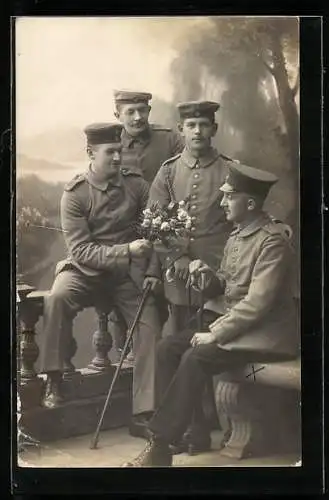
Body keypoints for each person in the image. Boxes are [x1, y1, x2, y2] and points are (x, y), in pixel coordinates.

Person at [122, 161, 299, 467]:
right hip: (239, 327)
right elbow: (230, 287)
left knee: (196, 355)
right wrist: (210, 279)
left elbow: (258, 303)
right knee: (167, 349)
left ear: (251, 203)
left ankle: (160, 446)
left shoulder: (272, 242)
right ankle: (189, 431)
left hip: (265, 334)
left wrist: (214, 333)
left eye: (230, 197)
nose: (223, 202)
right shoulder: (239, 234)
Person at [39, 123, 161, 424]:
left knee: (150, 322)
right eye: (110, 153)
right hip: (85, 270)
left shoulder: (137, 185)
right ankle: (54, 378)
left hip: (126, 275)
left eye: (119, 151)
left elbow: (157, 233)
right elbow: (81, 252)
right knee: (57, 299)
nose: (118, 158)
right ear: (91, 153)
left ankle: (145, 410)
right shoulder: (75, 194)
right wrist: (128, 251)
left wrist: (152, 271)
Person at [145, 100, 233, 452]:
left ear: (214, 129)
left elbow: (238, 225)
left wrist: (219, 268)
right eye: (191, 125)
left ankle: (213, 425)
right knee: (180, 349)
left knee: (206, 348)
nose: (197, 131)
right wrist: (178, 254)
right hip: (178, 275)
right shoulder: (167, 172)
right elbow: (154, 221)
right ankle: (192, 431)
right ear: (181, 131)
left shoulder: (229, 170)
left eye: (204, 124)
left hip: (217, 275)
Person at [108, 90, 184, 403]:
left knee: (170, 314)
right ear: (118, 116)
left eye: (142, 110)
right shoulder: (112, 146)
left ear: (149, 109)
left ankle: (172, 390)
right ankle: (136, 387)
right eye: (130, 112)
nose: (138, 117)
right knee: (126, 316)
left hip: (167, 237)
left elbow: (184, 183)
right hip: (128, 241)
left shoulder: (170, 141)